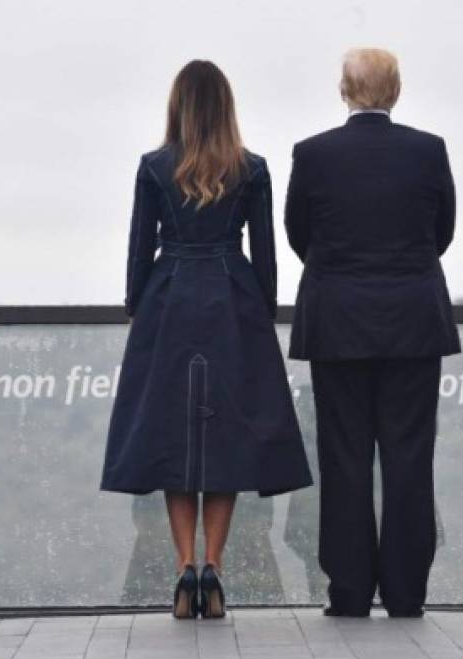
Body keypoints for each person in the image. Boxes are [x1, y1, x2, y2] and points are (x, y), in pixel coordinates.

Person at [100, 60, 313, 619]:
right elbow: (264, 255)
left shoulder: (152, 167)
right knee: (224, 442)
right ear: (225, 107)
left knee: (175, 438)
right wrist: (260, 309)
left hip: (169, 299)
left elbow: (137, 251)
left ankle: (184, 567)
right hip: (232, 299)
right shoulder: (253, 168)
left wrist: (136, 308)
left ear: (178, 105)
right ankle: (213, 568)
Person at [284, 48, 460, 618]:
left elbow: (297, 233)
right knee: (410, 457)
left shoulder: (313, 155)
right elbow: (442, 233)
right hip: (412, 319)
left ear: (344, 89)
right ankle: (407, 592)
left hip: (337, 322)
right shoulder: (427, 150)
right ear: (396, 90)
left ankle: (350, 591)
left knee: (344, 457)